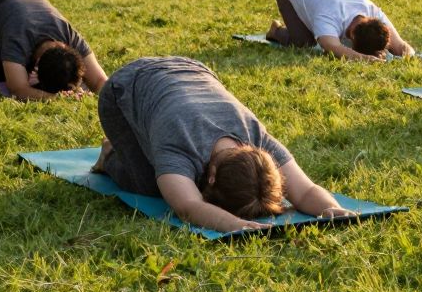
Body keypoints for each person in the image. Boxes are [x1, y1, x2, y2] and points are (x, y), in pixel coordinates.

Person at [91, 56, 353, 233]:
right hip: (123, 86)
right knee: (152, 185)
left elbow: (305, 192)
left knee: (171, 180)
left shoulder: (259, 142)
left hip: (192, 68)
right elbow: (188, 207)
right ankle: (110, 154)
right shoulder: (180, 146)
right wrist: (235, 224)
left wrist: (332, 208)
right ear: (212, 177)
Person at [0, 0, 108, 101]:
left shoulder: (70, 36)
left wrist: (104, 96)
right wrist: (58, 98)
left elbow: (100, 80)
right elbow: (18, 89)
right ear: (36, 66)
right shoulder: (17, 41)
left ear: (67, 47)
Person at [265, 0, 411, 61]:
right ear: (352, 35)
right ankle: (276, 30)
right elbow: (332, 47)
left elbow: (401, 47)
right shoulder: (329, 16)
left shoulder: (373, 12)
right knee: (304, 43)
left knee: (318, 30)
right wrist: (365, 58)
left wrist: (409, 57)